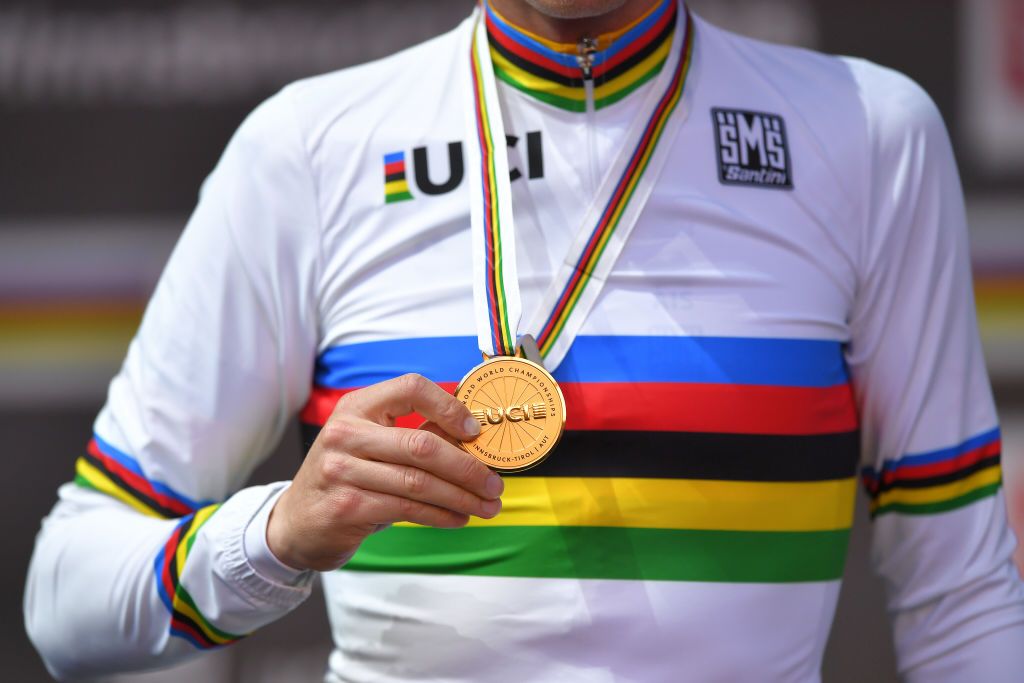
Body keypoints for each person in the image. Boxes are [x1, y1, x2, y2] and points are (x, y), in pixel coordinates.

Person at [24, 0, 1024, 680]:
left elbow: (962, 592)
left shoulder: (864, 131)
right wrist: (277, 533)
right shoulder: (308, 149)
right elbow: (65, 599)